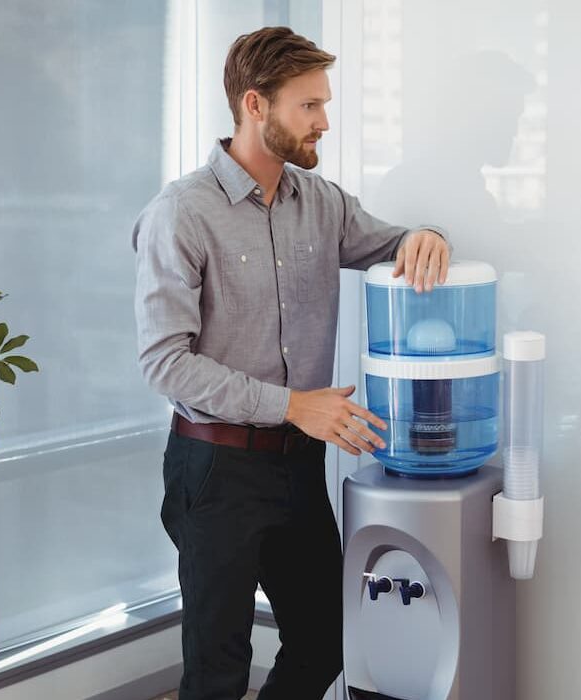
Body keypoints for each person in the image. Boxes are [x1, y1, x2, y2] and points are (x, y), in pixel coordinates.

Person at [132, 26, 450, 700]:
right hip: (215, 468)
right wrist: (294, 406)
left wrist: (426, 237)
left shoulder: (323, 204)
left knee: (326, 638)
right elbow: (165, 363)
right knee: (217, 672)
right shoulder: (181, 214)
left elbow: (396, 242)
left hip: (296, 466)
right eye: (309, 106)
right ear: (256, 105)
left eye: (323, 105)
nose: (323, 123)